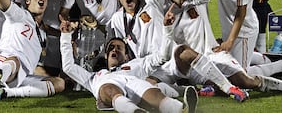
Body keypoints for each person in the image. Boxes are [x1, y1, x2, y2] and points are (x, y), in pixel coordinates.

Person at [162, 0, 282, 97]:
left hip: (213, 53)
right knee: (229, 81)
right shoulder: (162, 6)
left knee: (244, 79)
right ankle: (281, 63)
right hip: (192, 63)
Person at [60, 22, 199, 113]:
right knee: (109, 87)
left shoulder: (136, 65)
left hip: (134, 84)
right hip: (109, 89)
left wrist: (168, 30)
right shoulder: (95, 76)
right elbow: (68, 67)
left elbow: (163, 56)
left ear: (126, 56)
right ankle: (134, 111)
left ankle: (182, 110)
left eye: (119, 48)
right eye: (111, 48)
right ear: (106, 56)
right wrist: (65, 36)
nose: (114, 49)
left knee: (153, 92)